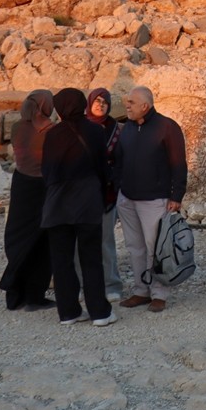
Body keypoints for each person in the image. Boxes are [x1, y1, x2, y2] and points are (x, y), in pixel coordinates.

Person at [41, 88, 116, 327]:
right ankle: (100, 312)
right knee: (90, 258)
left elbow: (46, 171)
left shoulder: (52, 135)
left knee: (61, 260)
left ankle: (68, 312)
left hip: (57, 203)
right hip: (86, 201)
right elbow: (103, 167)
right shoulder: (95, 131)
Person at [113, 86, 187, 314]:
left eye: (131, 103)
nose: (127, 105)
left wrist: (176, 196)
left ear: (145, 105)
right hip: (127, 199)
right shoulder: (127, 128)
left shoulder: (167, 127)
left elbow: (178, 164)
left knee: (156, 248)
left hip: (155, 200)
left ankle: (159, 294)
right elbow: (119, 160)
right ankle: (140, 291)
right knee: (135, 247)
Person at [0, 89, 56, 312]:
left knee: (19, 238)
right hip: (43, 187)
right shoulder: (51, 131)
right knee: (43, 243)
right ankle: (34, 296)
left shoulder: (16, 127)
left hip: (21, 185)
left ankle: (15, 295)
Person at [85, 88, 123, 303]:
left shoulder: (116, 129)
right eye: (96, 101)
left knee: (106, 241)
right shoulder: (82, 126)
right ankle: (83, 284)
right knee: (81, 242)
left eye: (104, 102)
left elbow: (121, 161)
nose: (100, 105)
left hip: (107, 193)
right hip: (82, 194)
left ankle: (111, 283)